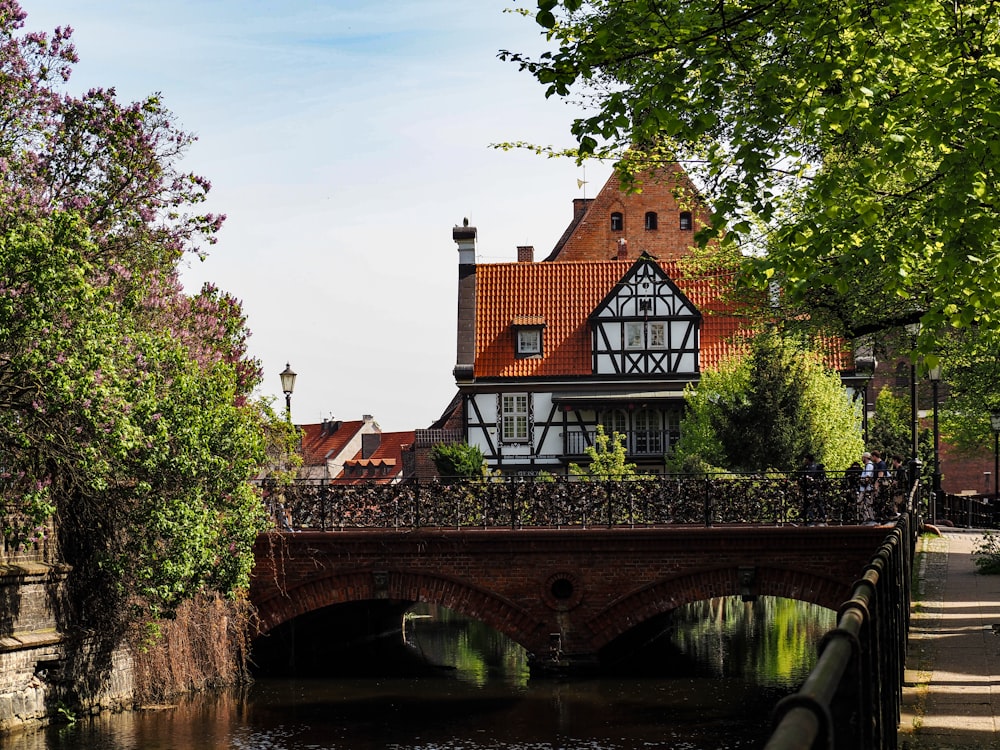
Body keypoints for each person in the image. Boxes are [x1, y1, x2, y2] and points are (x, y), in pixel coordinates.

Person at [858, 452, 876, 523]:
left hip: (866, 488)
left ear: (865, 458)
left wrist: (864, 484)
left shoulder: (869, 466)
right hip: (865, 488)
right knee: (864, 504)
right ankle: (867, 518)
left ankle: (870, 518)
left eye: (863, 457)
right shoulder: (867, 466)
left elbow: (867, 477)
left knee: (863, 503)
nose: (862, 459)